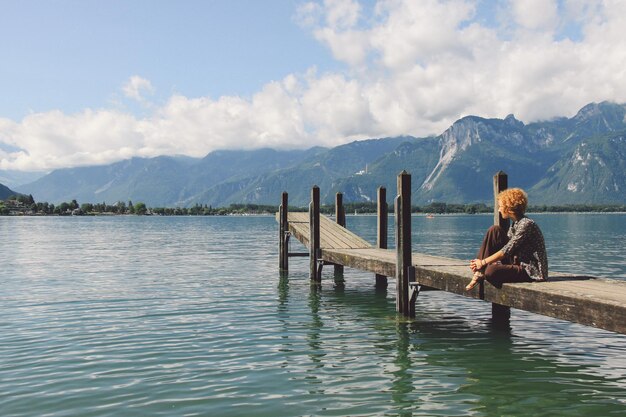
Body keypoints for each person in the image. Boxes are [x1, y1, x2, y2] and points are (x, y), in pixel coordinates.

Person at [466, 188, 548, 291]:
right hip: (517, 263)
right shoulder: (516, 223)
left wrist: (483, 262)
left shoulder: (527, 224)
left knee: (491, 271)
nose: (499, 210)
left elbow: (507, 250)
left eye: (500, 206)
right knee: (494, 230)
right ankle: (479, 272)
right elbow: (507, 248)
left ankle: (481, 269)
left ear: (508, 208)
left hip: (531, 271)